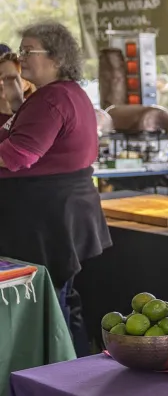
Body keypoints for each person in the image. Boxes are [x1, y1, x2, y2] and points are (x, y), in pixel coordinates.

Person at [0, 22, 111, 356]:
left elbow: (19, 155)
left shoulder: (53, 99)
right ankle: (71, 370)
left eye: (28, 51)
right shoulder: (65, 93)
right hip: (61, 212)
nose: (21, 58)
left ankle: (58, 375)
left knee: (50, 303)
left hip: (47, 217)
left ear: (56, 56)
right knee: (63, 299)